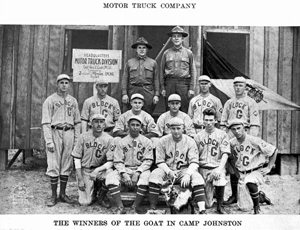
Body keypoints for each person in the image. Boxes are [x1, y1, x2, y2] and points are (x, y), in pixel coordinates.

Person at [148, 117, 206, 214]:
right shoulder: (162, 140)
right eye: (173, 128)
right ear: (169, 129)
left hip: (183, 171)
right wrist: (168, 171)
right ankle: (152, 208)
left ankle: (202, 210)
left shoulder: (190, 141)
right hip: (167, 170)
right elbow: (159, 161)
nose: (176, 131)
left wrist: (188, 174)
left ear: (183, 128)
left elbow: (194, 162)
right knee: (154, 174)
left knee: (197, 177)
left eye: (178, 128)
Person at [42, 74, 81, 207]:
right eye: (62, 82)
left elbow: (77, 122)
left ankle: (63, 194)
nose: (64, 85)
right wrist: (49, 141)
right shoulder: (50, 100)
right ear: (57, 84)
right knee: (53, 163)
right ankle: (53, 196)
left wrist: (76, 140)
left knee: (66, 163)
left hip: (69, 132)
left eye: (66, 83)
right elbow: (46, 122)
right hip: (55, 131)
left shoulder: (73, 101)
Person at [221, 76, 261, 206]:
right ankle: (234, 195)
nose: (238, 88)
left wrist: (252, 139)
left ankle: (257, 195)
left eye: (240, 85)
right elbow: (223, 122)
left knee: (247, 164)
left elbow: (255, 123)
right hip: (232, 134)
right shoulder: (228, 102)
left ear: (245, 87)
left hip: (246, 133)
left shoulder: (251, 102)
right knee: (233, 165)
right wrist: (224, 137)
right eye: (236, 85)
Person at [106, 116, 154, 214]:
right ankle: (120, 207)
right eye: (132, 125)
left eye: (137, 125)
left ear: (141, 127)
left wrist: (138, 172)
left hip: (141, 169)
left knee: (145, 179)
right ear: (128, 126)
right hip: (126, 168)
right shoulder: (121, 142)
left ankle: (134, 206)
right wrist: (123, 173)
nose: (135, 127)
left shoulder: (146, 141)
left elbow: (148, 160)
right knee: (111, 178)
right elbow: (118, 161)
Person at [228, 119, 277, 214]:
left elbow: (274, 150)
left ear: (244, 129)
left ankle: (256, 207)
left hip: (256, 171)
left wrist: (269, 167)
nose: (236, 131)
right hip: (242, 173)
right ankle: (261, 197)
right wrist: (235, 171)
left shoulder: (254, 140)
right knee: (244, 207)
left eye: (239, 128)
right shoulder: (232, 143)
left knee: (250, 181)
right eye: (233, 129)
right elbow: (231, 158)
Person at [71, 114, 114, 207]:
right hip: (85, 170)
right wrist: (80, 178)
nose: (99, 124)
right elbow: (77, 158)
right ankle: (92, 191)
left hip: (99, 169)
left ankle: (101, 195)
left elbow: (111, 162)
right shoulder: (83, 137)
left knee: (111, 174)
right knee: (85, 202)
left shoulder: (110, 139)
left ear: (104, 125)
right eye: (96, 122)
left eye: (101, 122)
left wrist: (97, 170)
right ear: (91, 124)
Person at [194, 108, 230, 214]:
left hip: (216, 167)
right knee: (208, 205)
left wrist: (219, 169)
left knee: (220, 179)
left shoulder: (222, 134)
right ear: (203, 120)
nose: (209, 123)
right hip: (203, 168)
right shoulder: (198, 136)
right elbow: (194, 156)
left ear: (215, 120)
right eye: (206, 120)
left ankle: (220, 205)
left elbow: (225, 154)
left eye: (211, 120)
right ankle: (212, 194)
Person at [160, 26, 197, 113]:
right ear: (171, 39)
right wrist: (162, 88)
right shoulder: (166, 53)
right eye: (174, 36)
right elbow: (161, 72)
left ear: (182, 38)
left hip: (183, 84)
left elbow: (193, 71)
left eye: (179, 36)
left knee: (183, 108)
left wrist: (191, 88)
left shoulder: (188, 53)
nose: (176, 38)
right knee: (169, 108)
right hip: (169, 83)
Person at [121, 37, 159, 115]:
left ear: (147, 49)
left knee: (147, 113)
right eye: (139, 47)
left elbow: (156, 79)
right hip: (133, 90)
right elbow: (125, 79)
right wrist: (124, 94)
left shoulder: (153, 63)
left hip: (148, 91)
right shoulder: (130, 62)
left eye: (144, 48)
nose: (142, 49)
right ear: (136, 49)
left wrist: (156, 95)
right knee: (132, 114)